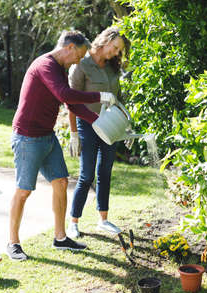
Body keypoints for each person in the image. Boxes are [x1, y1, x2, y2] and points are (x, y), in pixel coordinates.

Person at [8, 30, 117, 261]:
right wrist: (100, 96)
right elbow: (64, 92)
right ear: (69, 47)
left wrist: (99, 122)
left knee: (61, 181)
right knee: (24, 190)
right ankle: (13, 243)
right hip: (27, 137)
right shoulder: (45, 65)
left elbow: (70, 103)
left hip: (47, 136)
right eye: (78, 55)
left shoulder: (59, 69)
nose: (79, 60)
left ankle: (60, 238)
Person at [66, 27, 130, 238]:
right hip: (88, 125)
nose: (116, 53)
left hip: (110, 124)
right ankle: (73, 222)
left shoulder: (112, 67)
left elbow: (118, 98)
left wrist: (126, 127)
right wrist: (73, 133)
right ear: (106, 40)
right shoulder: (82, 64)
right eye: (115, 47)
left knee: (105, 172)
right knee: (87, 174)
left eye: (119, 50)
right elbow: (71, 100)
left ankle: (103, 220)